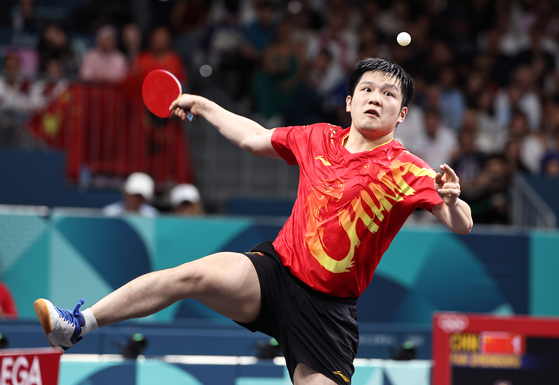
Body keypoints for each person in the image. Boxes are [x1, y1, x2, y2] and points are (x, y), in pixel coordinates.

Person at [34, 58, 472, 385]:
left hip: (328, 313)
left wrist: (452, 202)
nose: (377, 98)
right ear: (349, 101)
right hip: (275, 273)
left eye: (389, 94)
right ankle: (77, 326)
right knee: (193, 274)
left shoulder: (408, 168)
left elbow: (462, 223)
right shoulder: (317, 137)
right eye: (368, 90)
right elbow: (252, 136)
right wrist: (203, 104)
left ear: (402, 115)